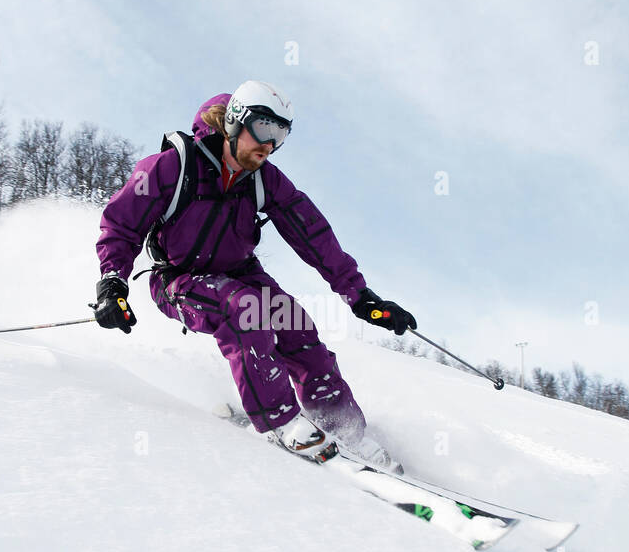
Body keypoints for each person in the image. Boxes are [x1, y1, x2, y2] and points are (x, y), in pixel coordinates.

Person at [93, 81, 416, 468]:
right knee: (245, 310)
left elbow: (313, 235)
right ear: (234, 123)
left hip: (241, 273)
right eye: (263, 129)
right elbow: (121, 225)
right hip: (177, 279)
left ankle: (346, 430)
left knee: (294, 322)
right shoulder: (173, 167)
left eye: (280, 135)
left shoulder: (266, 181)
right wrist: (112, 284)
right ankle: (282, 423)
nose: (269, 145)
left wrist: (360, 296)